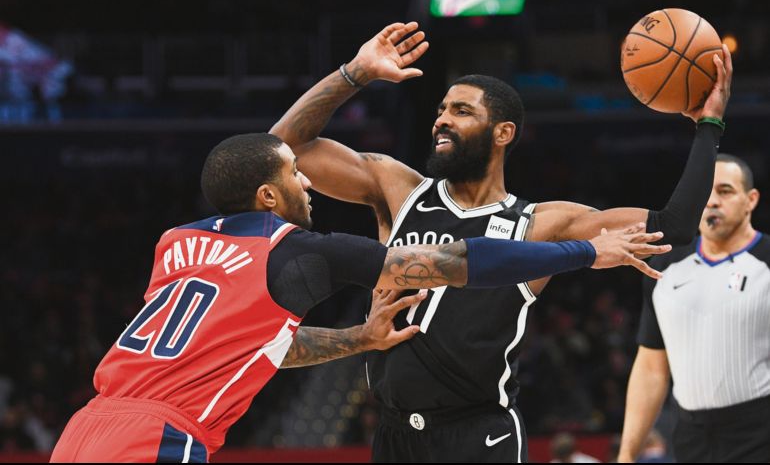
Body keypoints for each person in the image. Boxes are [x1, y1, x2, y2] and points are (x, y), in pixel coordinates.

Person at [269, 22, 732, 462]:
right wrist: (356, 72)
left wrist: (708, 125)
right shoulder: (397, 189)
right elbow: (279, 150)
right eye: (441, 111)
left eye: (462, 111)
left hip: (479, 438)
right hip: (392, 436)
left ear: (503, 133)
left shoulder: (541, 223)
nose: (442, 121)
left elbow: (674, 228)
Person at [49, 133, 666, 463]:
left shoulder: (174, 242)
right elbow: (458, 262)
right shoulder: (296, 250)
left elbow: (258, 351)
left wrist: (358, 340)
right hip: (156, 437)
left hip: (85, 429)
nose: (308, 180)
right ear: (268, 196)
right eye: (295, 173)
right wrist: (584, 253)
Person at [618, 154, 769, 463]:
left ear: (750, 200)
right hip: (690, 435)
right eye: (704, 193)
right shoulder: (662, 267)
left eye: (725, 191)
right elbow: (650, 368)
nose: (712, 201)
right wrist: (626, 453)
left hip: (760, 429)